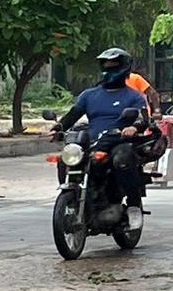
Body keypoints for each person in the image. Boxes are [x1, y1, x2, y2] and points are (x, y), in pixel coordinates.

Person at [56, 47, 151, 228]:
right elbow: (72, 115)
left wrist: (132, 127)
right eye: (105, 65)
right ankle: (73, 196)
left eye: (113, 65)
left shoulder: (134, 97)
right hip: (93, 141)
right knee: (66, 158)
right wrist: (58, 127)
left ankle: (132, 206)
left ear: (124, 67)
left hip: (118, 141)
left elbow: (142, 118)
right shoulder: (89, 95)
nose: (109, 69)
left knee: (122, 158)